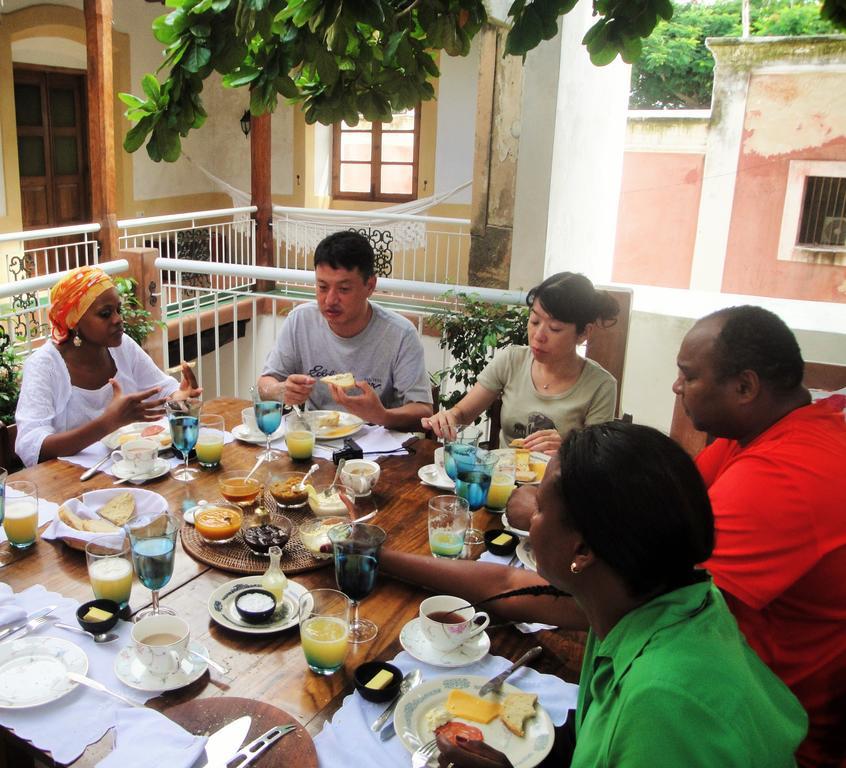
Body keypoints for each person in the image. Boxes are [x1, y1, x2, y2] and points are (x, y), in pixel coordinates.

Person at [382, 423, 807, 767]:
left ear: (582, 550)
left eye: (541, 508)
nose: (529, 518)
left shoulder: (662, 707)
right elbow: (588, 735)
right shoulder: (644, 600)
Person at [673, 306, 846, 768]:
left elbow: (661, 598)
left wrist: (499, 588)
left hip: (773, 735)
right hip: (737, 683)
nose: (677, 388)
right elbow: (670, 505)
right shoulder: (751, 433)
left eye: (688, 376)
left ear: (745, 387)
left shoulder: (782, 474)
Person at [15, 266, 200, 467]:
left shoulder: (123, 347)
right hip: (70, 485)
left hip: (132, 469)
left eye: (118, 310)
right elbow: (31, 446)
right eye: (105, 314)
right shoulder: (44, 366)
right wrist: (107, 423)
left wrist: (178, 399)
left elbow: (162, 390)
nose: (118, 319)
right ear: (74, 322)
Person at [423, 272, 619, 454]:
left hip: (560, 485)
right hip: (503, 480)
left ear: (584, 333)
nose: (538, 336)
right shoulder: (512, 360)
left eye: (555, 328)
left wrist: (567, 450)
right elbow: (463, 413)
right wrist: (449, 418)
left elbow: (596, 459)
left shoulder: (600, 385)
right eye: (534, 321)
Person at [257, 231, 433, 431]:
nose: (330, 300)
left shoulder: (400, 334)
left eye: (344, 289)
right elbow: (265, 384)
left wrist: (382, 415)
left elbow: (423, 411)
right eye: (322, 287)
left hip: (377, 449)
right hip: (316, 442)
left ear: (370, 285)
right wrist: (281, 390)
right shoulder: (300, 320)